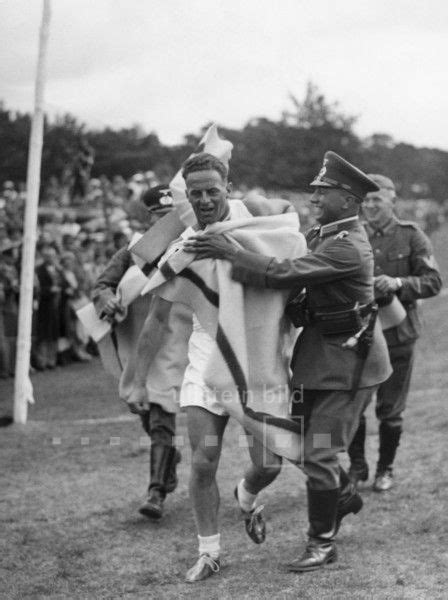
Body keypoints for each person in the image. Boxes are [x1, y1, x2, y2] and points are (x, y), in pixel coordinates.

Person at [185, 151, 392, 572]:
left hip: (349, 363)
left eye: (324, 191)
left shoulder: (348, 247)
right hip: (319, 359)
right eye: (316, 190)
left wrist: (228, 251)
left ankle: (322, 542)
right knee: (304, 447)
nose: (314, 196)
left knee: (315, 454)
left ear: (349, 201)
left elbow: (284, 273)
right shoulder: (325, 235)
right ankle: (342, 497)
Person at [131, 153, 300, 583]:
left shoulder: (254, 223)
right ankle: (210, 552)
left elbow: (290, 251)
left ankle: (246, 496)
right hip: (206, 365)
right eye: (197, 193)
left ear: (228, 187)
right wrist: (134, 378)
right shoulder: (184, 247)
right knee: (203, 462)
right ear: (187, 195)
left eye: (213, 190)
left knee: (269, 465)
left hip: (256, 361)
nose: (206, 200)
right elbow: (156, 319)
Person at [92, 184, 185, 520]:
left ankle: (156, 492)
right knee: (146, 413)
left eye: (171, 216)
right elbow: (102, 285)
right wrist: (108, 300)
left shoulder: (188, 248)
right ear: (150, 218)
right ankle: (168, 460)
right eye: (160, 217)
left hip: (173, 342)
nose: (167, 222)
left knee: (161, 413)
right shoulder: (132, 251)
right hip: (137, 341)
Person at [347, 174, 442, 491]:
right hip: (361, 336)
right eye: (367, 200)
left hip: (399, 334)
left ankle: (385, 469)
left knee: (390, 410)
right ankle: (357, 466)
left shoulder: (411, 236)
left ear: (393, 202)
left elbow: (433, 282)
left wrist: (399, 284)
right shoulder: (351, 234)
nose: (371, 205)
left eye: (377, 199)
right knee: (354, 407)